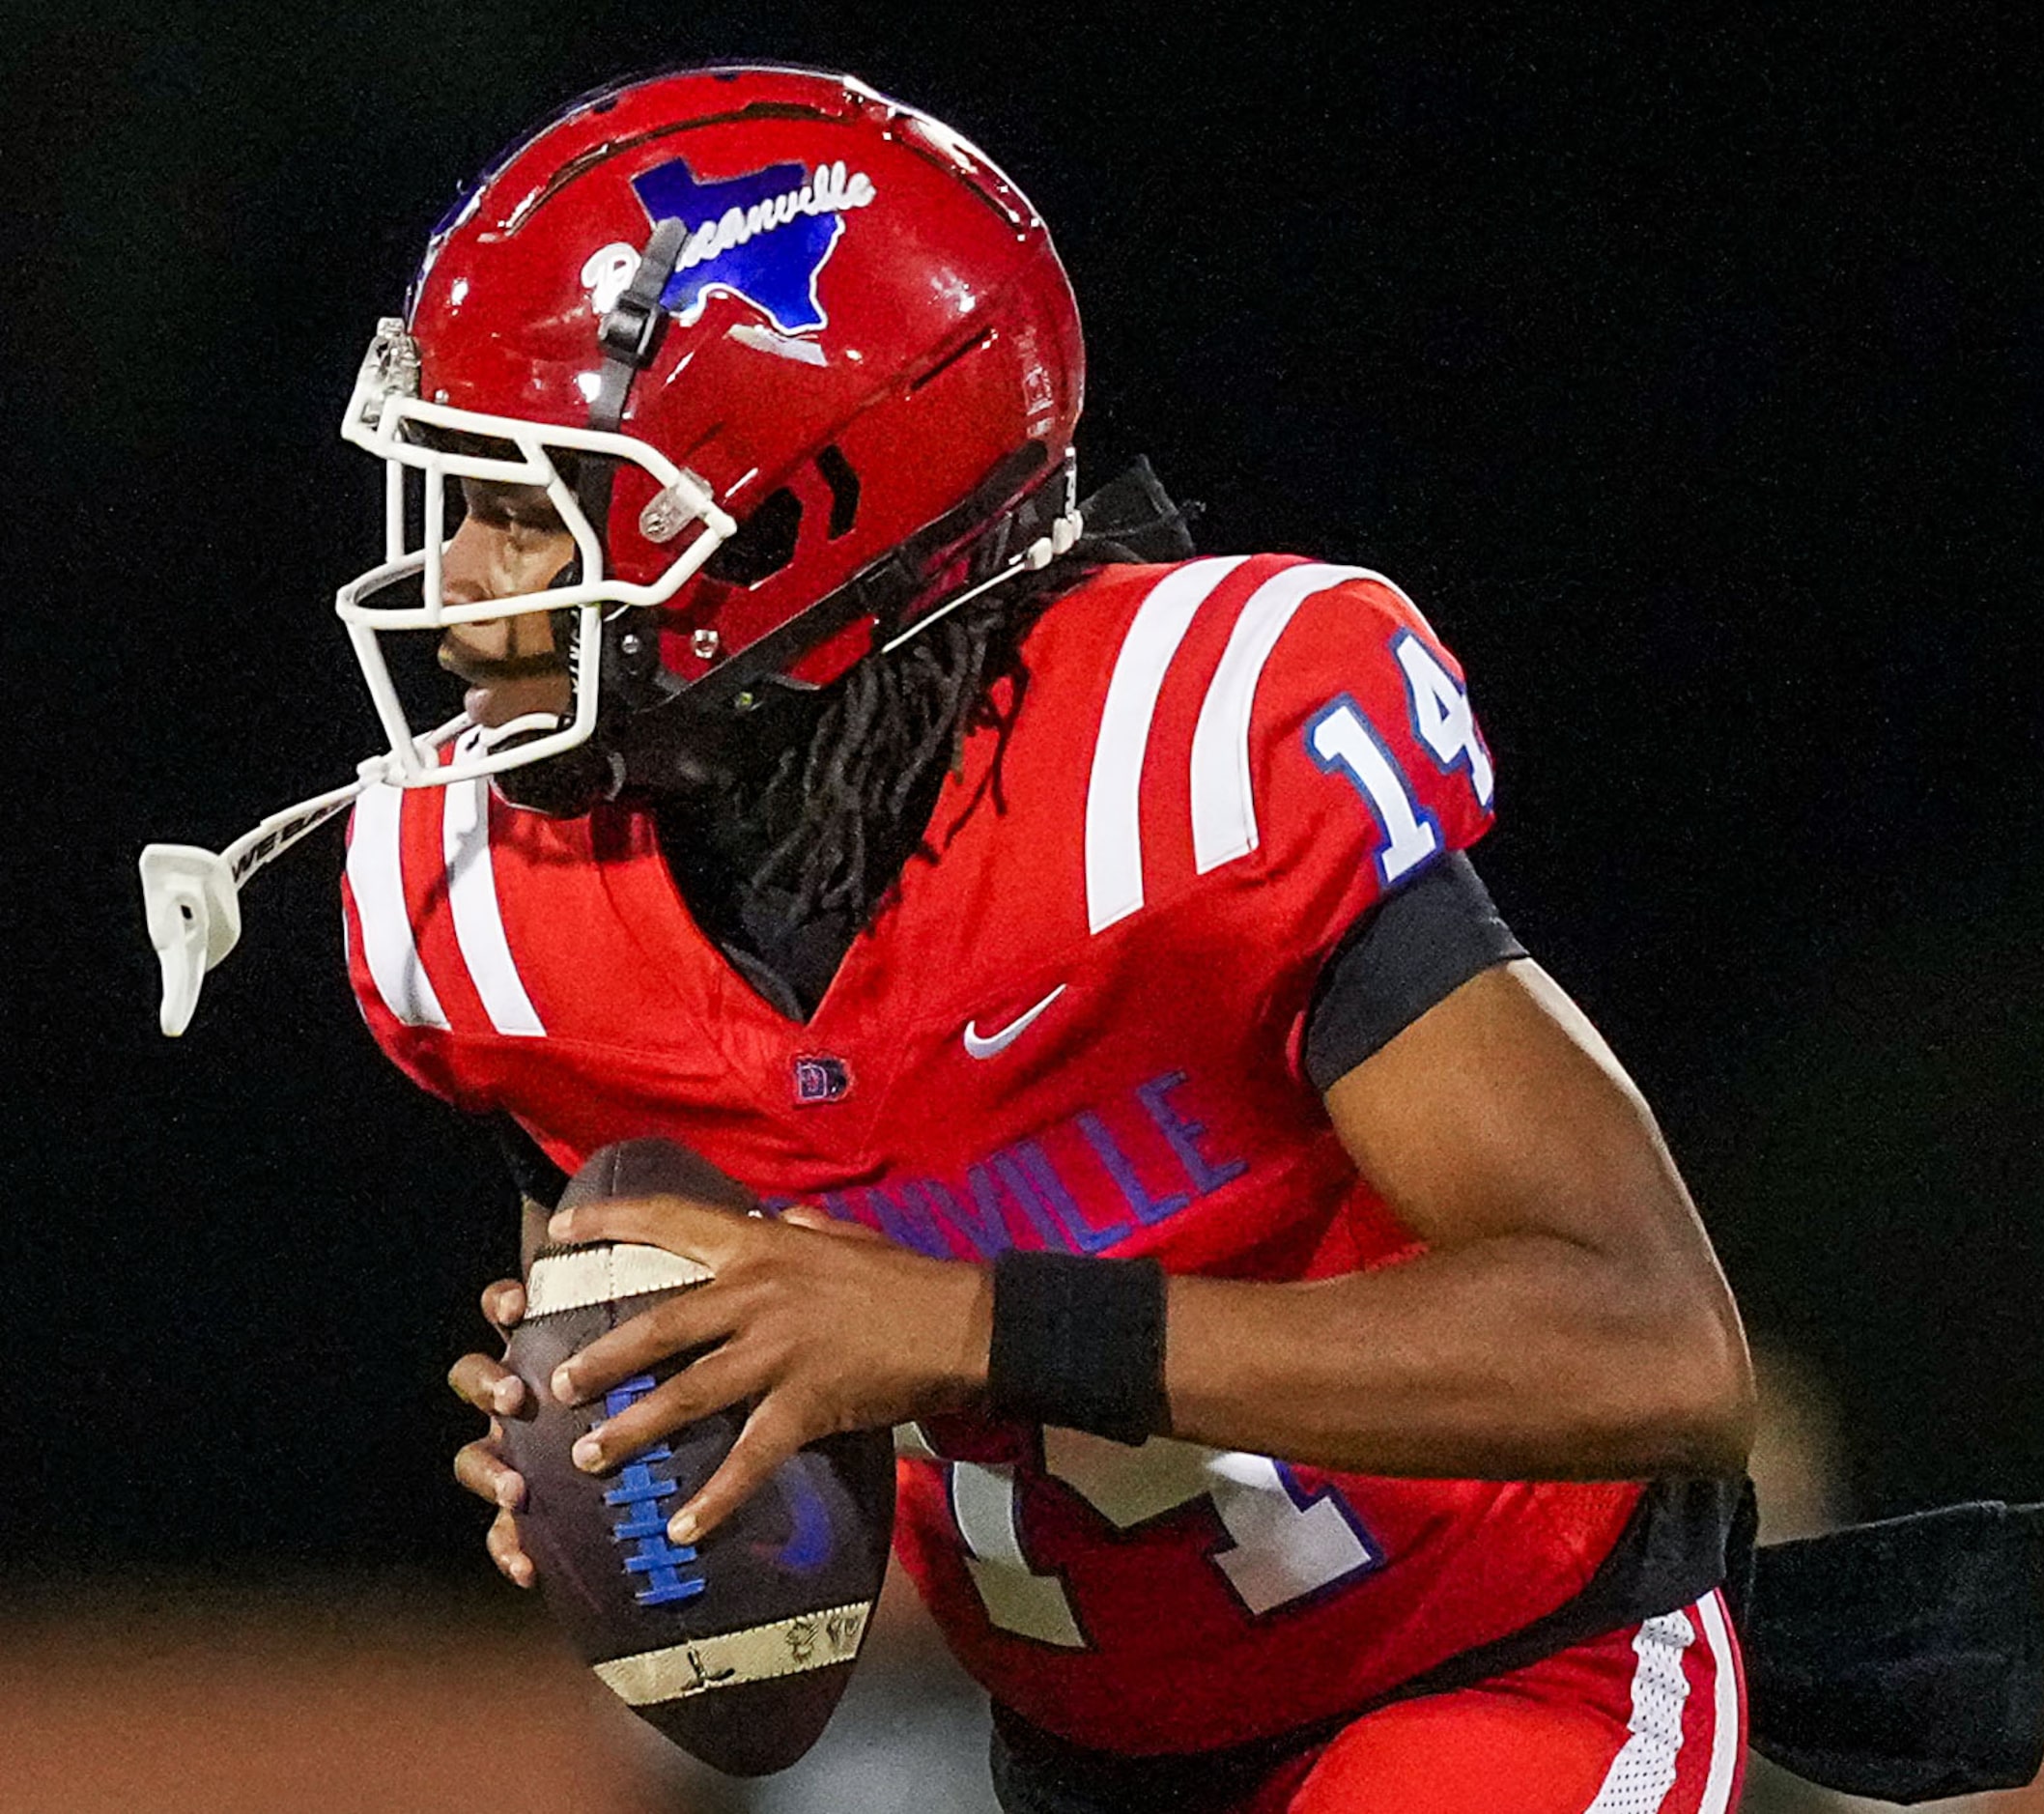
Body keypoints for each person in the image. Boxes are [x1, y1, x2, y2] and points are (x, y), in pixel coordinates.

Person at [331, 63, 1756, 1814]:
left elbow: (1655, 1345)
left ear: (792, 512)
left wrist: (972, 1326)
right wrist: (624, 1468)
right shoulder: (505, 903)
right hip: (1091, 1753)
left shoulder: (1176, 764)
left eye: (523, 512)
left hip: (1500, 1661)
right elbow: (746, 1573)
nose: (463, 587)